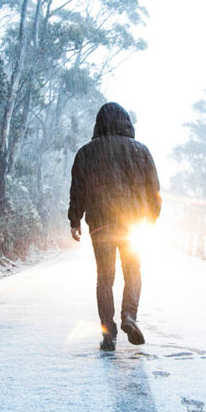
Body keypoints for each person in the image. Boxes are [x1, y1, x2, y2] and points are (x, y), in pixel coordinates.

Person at [68, 102, 161, 351]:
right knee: (132, 270)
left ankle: (108, 333)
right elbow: (154, 188)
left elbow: (77, 190)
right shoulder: (140, 151)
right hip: (132, 223)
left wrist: (74, 220)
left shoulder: (86, 153)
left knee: (105, 278)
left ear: (99, 123)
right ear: (126, 123)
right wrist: (153, 215)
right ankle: (129, 315)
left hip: (100, 224)